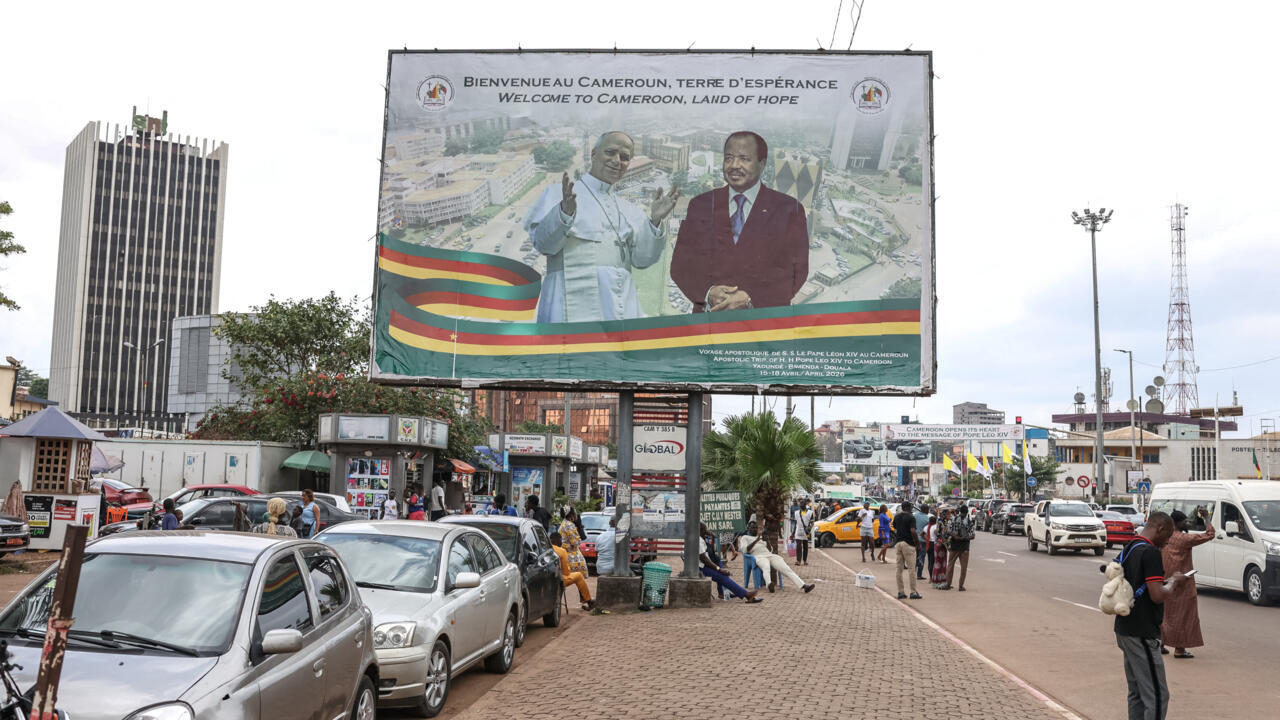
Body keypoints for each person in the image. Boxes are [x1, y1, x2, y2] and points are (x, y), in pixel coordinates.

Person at [524, 131, 679, 323]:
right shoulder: (556, 194)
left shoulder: (630, 210)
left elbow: (642, 260)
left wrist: (655, 221)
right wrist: (564, 213)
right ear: (594, 154)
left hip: (620, 302)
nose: (617, 161)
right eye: (610, 152)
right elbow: (543, 245)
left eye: (624, 157)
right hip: (567, 303)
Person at [670, 131, 809, 313]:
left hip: (762, 327)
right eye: (729, 158)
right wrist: (707, 293)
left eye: (744, 158)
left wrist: (751, 299)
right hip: (709, 324)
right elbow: (681, 265)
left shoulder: (790, 210)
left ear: (762, 164)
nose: (734, 165)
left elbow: (797, 273)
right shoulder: (700, 205)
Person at [1115, 512, 1182, 720]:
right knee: (1158, 695)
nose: (1169, 541)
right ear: (1160, 529)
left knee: (1137, 692)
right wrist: (1173, 583)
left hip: (1125, 627)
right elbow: (1156, 595)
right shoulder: (1150, 553)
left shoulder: (1130, 546)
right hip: (1142, 631)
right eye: (1169, 535)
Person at [1160, 509, 1215, 659]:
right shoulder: (1184, 539)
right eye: (1184, 521)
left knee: (1164, 614)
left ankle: (1161, 644)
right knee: (1184, 615)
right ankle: (1179, 649)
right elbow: (1210, 534)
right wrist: (1207, 518)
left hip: (1164, 580)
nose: (1187, 523)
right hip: (1182, 582)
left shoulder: (1164, 537)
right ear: (1178, 523)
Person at [739, 520, 814, 593]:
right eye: (752, 528)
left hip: (769, 555)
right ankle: (769, 584)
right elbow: (745, 550)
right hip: (758, 557)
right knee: (766, 566)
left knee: (786, 569)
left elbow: (769, 550)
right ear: (748, 529)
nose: (754, 529)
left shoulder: (761, 538)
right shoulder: (745, 538)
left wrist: (767, 541)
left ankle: (804, 586)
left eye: (756, 527)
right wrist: (756, 541)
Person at [699, 523, 761, 603]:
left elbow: (710, 551)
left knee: (722, 572)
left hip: (704, 565)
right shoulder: (698, 541)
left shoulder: (700, 538)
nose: (706, 532)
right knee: (723, 576)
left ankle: (744, 594)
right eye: (704, 530)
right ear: (700, 530)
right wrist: (719, 569)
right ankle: (747, 595)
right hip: (701, 567)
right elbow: (704, 559)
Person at [550, 531, 596, 610]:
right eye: (561, 540)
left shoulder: (545, 549)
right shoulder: (561, 551)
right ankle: (588, 601)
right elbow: (566, 573)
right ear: (556, 541)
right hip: (557, 580)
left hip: (546, 580)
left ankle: (585, 599)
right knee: (578, 575)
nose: (561, 543)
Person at [892, 501, 922, 600]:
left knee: (899, 569)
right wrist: (917, 543)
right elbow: (913, 530)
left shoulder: (897, 517)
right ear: (909, 508)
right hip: (908, 544)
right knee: (911, 569)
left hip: (898, 543)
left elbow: (895, 528)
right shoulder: (911, 517)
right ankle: (913, 592)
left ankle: (901, 592)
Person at [945, 501, 975, 590]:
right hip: (965, 546)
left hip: (954, 545)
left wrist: (955, 536)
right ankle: (961, 586)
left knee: (950, 565)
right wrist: (965, 538)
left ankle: (948, 584)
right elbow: (972, 535)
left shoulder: (953, 519)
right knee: (964, 568)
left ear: (959, 511)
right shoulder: (969, 522)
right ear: (967, 513)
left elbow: (948, 530)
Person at [558, 508, 589, 576]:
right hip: (570, 554)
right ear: (571, 515)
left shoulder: (564, 522)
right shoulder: (569, 525)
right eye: (575, 513)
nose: (577, 516)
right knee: (578, 576)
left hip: (565, 552)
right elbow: (575, 542)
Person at [931, 509, 950, 589]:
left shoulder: (943, 522)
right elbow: (940, 534)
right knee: (939, 564)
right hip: (940, 544)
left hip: (941, 544)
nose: (950, 516)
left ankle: (941, 581)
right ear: (945, 515)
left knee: (942, 563)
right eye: (948, 514)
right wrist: (946, 544)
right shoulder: (941, 522)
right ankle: (937, 582)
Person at [792, 498, 814, 566]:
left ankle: (805, 560)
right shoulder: (796, 513)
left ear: (805, 505)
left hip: (806, 531)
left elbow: (812, 522)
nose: (802, 506)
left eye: (803, 505)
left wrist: (808, 530)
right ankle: (798, 561)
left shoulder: (810, 513)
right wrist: (793, 533)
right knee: (798, 546)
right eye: (801, 505)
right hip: (798, 531)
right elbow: (796, 523)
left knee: (805, 546)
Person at [913, 503, 931, 580]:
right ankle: (919, 575)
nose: (928, 511)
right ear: (925, 510)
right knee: (921, 557)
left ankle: (913, 573)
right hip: (922, 540)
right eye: (928, 509)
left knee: (915, 557)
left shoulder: (915, 515)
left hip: (914, 539)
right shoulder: (927, 519)